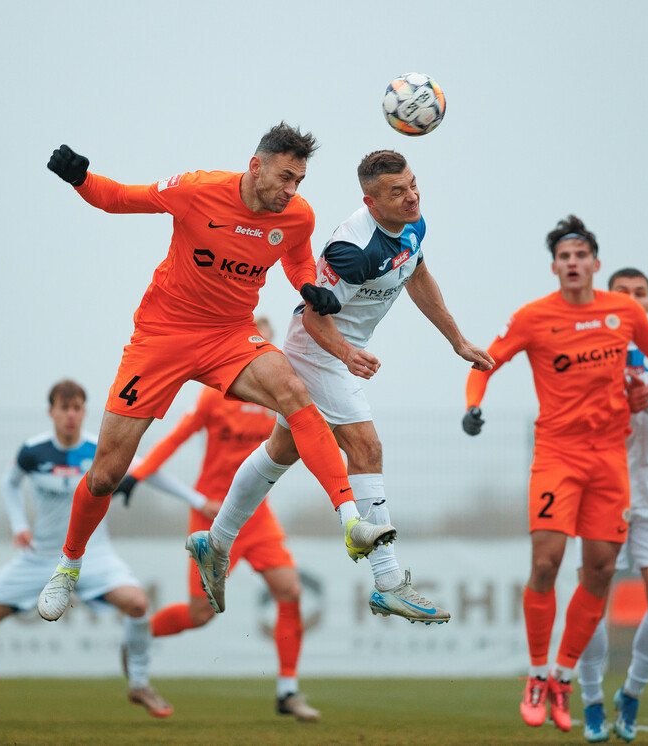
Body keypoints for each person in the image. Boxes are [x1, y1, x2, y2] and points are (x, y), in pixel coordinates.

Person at [38, 124, 397, 623]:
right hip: (163, 336)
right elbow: (119, 198)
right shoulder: (197, 190)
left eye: (300, 180)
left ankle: (351, 520)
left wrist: (309, 285)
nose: (293, 190)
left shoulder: (296, 215)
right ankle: (68, 566)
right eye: (286, 177)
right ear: (257, 165)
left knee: (296, 392)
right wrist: (82, 179)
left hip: (230, 335)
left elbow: (295, 259)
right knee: (105, 475)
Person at [192, 149, 493, 620]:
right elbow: (313, 318)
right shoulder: (350, 251)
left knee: (281, 450)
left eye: (413, 184)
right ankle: (389, 582)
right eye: (398, 192)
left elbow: (418, 276)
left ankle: (215, 542)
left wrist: (457, 340)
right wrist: (347, 353)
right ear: (371, 202)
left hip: (339, 352)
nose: (412, 197)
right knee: (366, 448)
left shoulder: (414, 224)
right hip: (319, 351)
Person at [462, 215, 648, 735]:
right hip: (557, 454)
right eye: (564, 256)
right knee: (547, 560)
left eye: (582, 256)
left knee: (600, 571)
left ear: (595, 264)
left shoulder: (621, 312)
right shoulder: (534, 317)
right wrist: (473, 404)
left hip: (609, 461)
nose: (573, 263)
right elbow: (485, 360)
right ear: (555, 267)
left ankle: (562, 677)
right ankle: (536, 674)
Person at [115, 319, 321, 722]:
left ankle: (288, 691)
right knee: (200, 615)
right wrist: (136, 475)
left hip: (256, 517)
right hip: (210, 514)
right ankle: (138, 638)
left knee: (290, 590)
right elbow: (176, 436)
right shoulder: (215, 398)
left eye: (264, 344)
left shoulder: (275, 400)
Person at [0, 380, 172, 717]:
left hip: (93, 554)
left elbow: (149, 471)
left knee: (137, 603)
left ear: (84, 411)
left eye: (77, 408)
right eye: (64, 408)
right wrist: (19, 525)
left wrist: (200, 501)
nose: (70, 415)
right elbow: (9, 483)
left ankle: (139, 684)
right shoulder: (33, 451)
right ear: (52, 412)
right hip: (40, 558)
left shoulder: (100, 448)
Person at [574, 268, 648, 742]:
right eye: (621, 293)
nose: (631, 299)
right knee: (592, 602)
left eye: (639, 294)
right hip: (602, 492)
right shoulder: (589, 346)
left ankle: (631, 692)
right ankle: (590, 702)